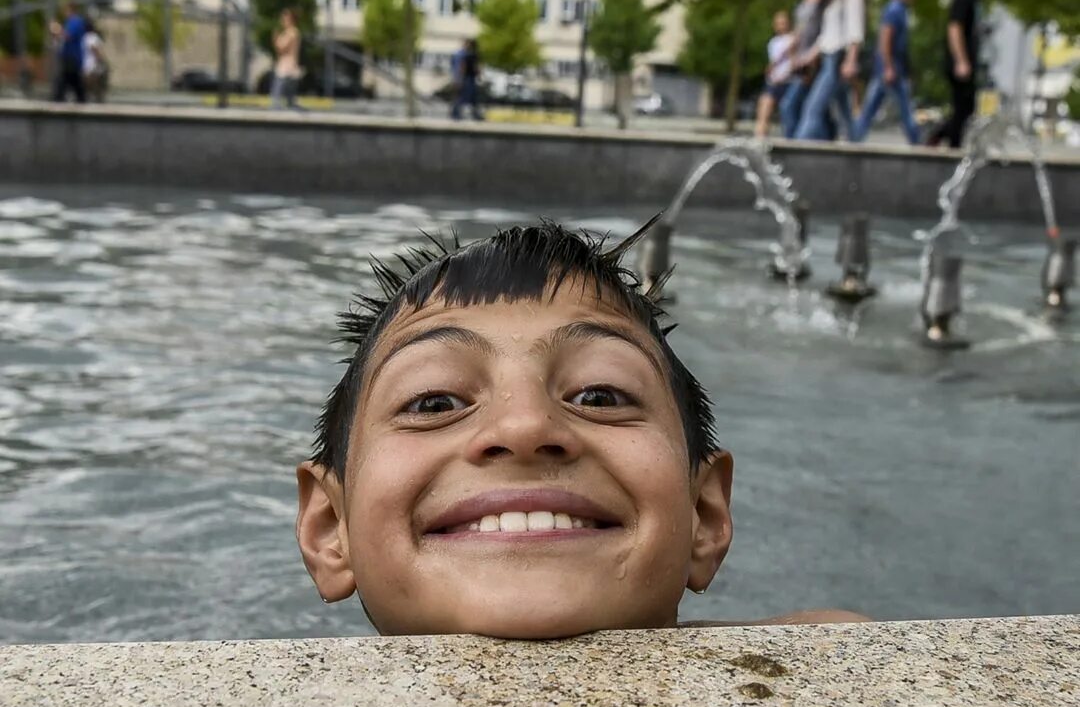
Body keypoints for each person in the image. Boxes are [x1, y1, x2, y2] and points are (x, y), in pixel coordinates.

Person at [295, 219, 867, 637]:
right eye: (433, 401)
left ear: (706, 515)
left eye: (599, 395)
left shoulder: (837, 660)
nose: (525, 426)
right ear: (329, 528)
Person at [794, 0, 865, 142]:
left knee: (813, 107)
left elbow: (854, 30)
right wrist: (808, 56)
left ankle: (798, 148)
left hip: (837, 60)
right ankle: (856, 151)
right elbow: (827, 35)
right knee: (844, 114)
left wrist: (851, 60)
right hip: (828, 58)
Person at [926, 0, 996, 148]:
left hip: (968, 63)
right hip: (959, 62)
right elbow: (954, 28)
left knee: (966, 107)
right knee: (963, 106)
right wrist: (961, 60)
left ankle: (944, 138)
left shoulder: (977, 2)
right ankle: (947, 142)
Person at [852, 0, 920, 145]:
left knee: (871, 107)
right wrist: (888, 66)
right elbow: (885, 37)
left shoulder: (903, 11)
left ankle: (855, 139)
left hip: (892, 68)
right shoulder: (894, 9)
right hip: (890, 68)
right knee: (905, 108)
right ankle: (916, 142)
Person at [779, 0, 827, 138]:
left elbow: (824, 33)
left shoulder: (822, 0)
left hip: (813, 64)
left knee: (790, 106)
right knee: (810, 111)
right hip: (799, 63)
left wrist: (812, 61)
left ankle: (795, 151)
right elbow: (798, 32)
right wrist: (791, 57)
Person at [754, 10, 794, 138]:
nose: (781, 26)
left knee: (787, 110)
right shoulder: (772, 43)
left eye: (783, 23)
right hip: (774, 81)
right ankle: (760, 135)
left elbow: (792, 61)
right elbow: (774, 62)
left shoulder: (793, 40)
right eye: (778, 23)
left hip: (789, 80)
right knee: (764, 105)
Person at [52, 3, 88, 104]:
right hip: (68, 56)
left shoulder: (76, 21)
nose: (65, 13)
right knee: (73, 81)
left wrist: (57, 29)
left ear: (71, 10)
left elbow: (68, 36)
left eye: (66, 10)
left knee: (65, 79)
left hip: (72, 56)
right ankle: (80, 100)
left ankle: (58, 99)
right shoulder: (69, 22)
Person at [270, 8, 302, 110]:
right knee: (289, 94)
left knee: (278, 92)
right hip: (289, 65)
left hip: (286, 65)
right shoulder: (292, 32)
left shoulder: (291, 32)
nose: (282, 22)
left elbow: (281, 47)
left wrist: (275, 38)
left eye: (285, 19)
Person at [451, 37, 483, 121]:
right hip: (467, 78)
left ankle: (459, 113)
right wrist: (459, 79)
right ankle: (457, 113)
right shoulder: (468, 55)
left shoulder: (467, 54)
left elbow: (466, 67)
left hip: (468, 78)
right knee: (465, 96)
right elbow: (464, 67)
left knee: (470, 97)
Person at [83, 21, 109, 103]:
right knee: (97, 83)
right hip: (93, 64)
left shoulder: (83, 37)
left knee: (88, 84)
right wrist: (101, 59)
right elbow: (94, 49)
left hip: (85, 64)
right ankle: (98, 98)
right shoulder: (93, 37)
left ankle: (89, 97)